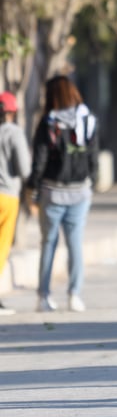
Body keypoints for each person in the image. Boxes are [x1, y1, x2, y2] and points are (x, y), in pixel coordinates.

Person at [26, 76, 99, 313]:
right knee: (75, 243)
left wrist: (32, 187)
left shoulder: (49, 123)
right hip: (80, 193)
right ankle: (74, 295)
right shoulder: (87, 120)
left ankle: (44, 297)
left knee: (48, 243)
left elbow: (40, 159)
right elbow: (94, 156)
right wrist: (92, 183)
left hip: (52, 193)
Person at [0, 91, 31, 315]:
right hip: (6, 196)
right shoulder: (14, 133)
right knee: (1, 249)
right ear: (11, 112)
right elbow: (25, 169)